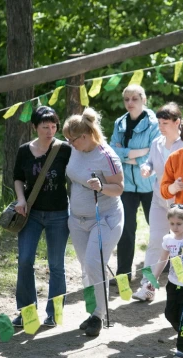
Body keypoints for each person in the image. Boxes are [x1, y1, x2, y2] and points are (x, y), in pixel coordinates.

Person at [64, 108, 125, 336]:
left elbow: (119, 188)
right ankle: (92, 312)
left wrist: (101, 187)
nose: (69, 143)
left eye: (73, 139)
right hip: (77, 219)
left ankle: (99, 315)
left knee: (93, 263)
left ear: (86, 136)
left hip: (105, 218)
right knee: (85, 268)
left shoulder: (107, 156)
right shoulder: (74, 149)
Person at [12, 106, 71, 328]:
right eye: (45, 127)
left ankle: (54, 313)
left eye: (54, 126)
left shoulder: (65, 149)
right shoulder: (24, 151)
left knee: (56, 265)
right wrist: (21, 199)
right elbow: (18, 177)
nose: (50, 131)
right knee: (25, 260)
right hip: (31, 213)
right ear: (35, 127)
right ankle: (26, 312)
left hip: (58, 214)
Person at [131, 103, 183, 302]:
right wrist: (146, 168)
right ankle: (147, 286)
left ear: (177, 122)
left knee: (180, 245)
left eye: (165, 123)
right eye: (159, 123)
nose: (161, 126)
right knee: (155, 242)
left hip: (180, 204)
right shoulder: (157, 143)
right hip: (159, 199)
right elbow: (152, 164)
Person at [110, 85, 160, 278]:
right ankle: (123, 273)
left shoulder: (154, 123)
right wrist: (136, 153)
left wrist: (127, 155)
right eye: (126, 99)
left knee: (156, 228)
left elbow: (154, 152)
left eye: (134, 99)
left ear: (143, 100)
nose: (130, 103)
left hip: (150, 184)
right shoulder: (119, 123)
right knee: (126, 229)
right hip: (127, 185)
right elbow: (113, 152)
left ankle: (163, 268)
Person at [150, 204, 183, 358]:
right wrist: (154, 278)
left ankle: (181, 348)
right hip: (173, 284)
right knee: (170, 314)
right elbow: (162, 260)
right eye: (172, 224)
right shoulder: (168, 240)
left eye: (179, 224)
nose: (175, 227)